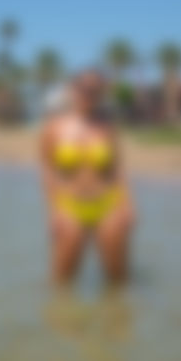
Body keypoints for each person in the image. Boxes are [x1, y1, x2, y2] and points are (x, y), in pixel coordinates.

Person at [39, 69, 135, 287]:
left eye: (94, 90)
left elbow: (117, 168)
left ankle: (116, 319)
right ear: (72, 90)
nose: (88, 94)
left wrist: (128, 205)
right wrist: (53, 212)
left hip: (108, 205)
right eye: (83, 88)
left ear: (101, 93)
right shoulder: (54, 128)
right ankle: (65, 321)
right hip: (69, 207)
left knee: (118, 282)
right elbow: (47, 171)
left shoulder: (108, 127)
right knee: (61, 284)